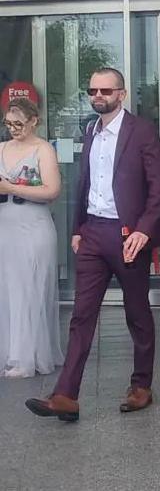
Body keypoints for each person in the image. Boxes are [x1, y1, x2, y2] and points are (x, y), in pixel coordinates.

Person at [25, 67, 160, 422]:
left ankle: (141, 387)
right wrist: (78, 228)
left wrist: (143, 231)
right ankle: (66, 395)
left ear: (121, 94)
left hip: (128, 236)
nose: (98, 96)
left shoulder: (142, 131)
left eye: (105, 90)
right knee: (81, 315)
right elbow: (85, 181)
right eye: (92, 91)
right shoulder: (90, 130)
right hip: (92, 234)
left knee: (137, 314)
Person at [0, 98, 64, 379]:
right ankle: (10, 351)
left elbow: (51, 191)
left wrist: (11, 187)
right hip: (5, 225)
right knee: (8, 289)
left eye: (19, 123)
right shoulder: (1, 148)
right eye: (8, 123)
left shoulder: (43, 149)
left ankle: (28, 356)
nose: (13, 129)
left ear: (33, 121)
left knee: (31, 288)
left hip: (34, 225)